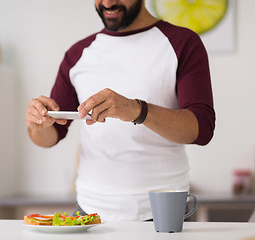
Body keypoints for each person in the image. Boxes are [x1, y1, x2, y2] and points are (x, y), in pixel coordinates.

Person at [26, 0, 215, 222]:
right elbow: (49, 136)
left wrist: (137, 110)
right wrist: (37, 124)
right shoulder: (78, 54)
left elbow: (202, 129)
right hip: (89, 212)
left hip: (163, 212)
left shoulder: (182, 43)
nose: (107, 3)